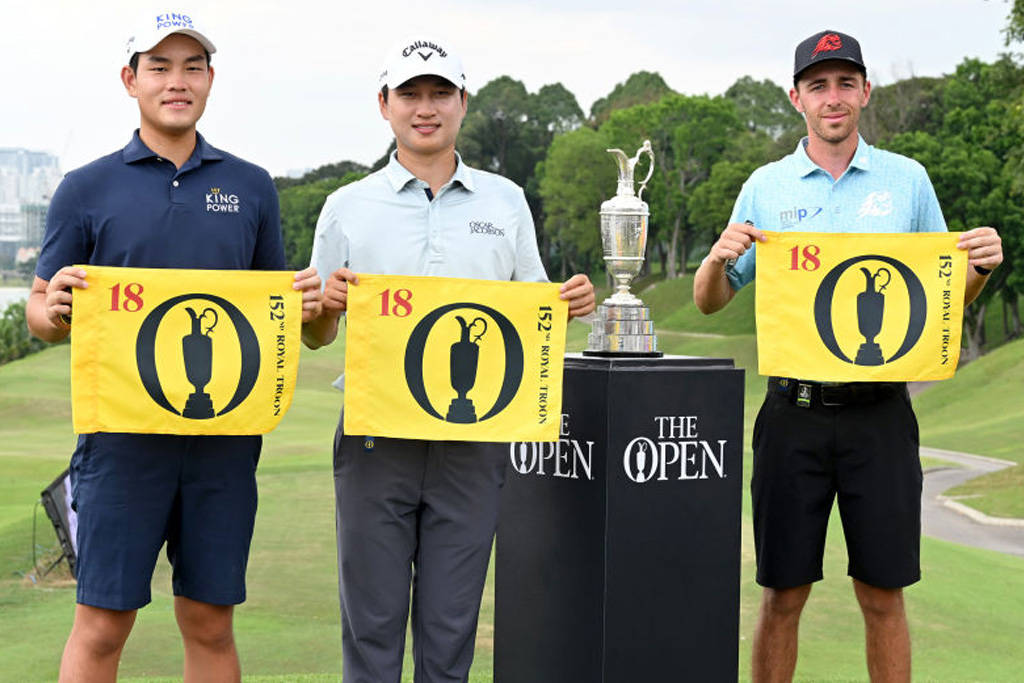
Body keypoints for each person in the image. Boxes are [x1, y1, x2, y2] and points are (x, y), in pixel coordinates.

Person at [692, 30, 1003, 683]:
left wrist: (978, 270)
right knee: (782, 595)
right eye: (817, 85)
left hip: (880, 416)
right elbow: (709, 301)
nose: (832, 98)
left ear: (864, 90)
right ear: (796, 97)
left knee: (883, 596)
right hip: (792, 413)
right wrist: (718, 259)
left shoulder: (907, 181)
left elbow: (944, 300)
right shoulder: (766, 185)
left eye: (844, 83)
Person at [26, 12, 322, 681]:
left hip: (223, 441)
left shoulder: (250, 186)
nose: (176, 81)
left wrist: (303, 306)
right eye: (158, 67)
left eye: (192, 66)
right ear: (130, 80)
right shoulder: (86, 188)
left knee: (210, 620)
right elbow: (40, 309)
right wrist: (55, 305)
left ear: (211, 79)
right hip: (120, 442)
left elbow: (276, 309)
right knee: (101, 623)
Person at [302, 36, 595, 682]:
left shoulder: (506, 200)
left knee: (450, 632)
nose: (425, 107)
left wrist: (568, 301)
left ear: (464, 102)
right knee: (372, 632)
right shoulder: (346, 206)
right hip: (376, 437)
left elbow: (533, 311)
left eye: (440, 93)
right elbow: (316, 335)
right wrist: (323, 306)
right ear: (384, 104)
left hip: (473, 441)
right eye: (410, 93)